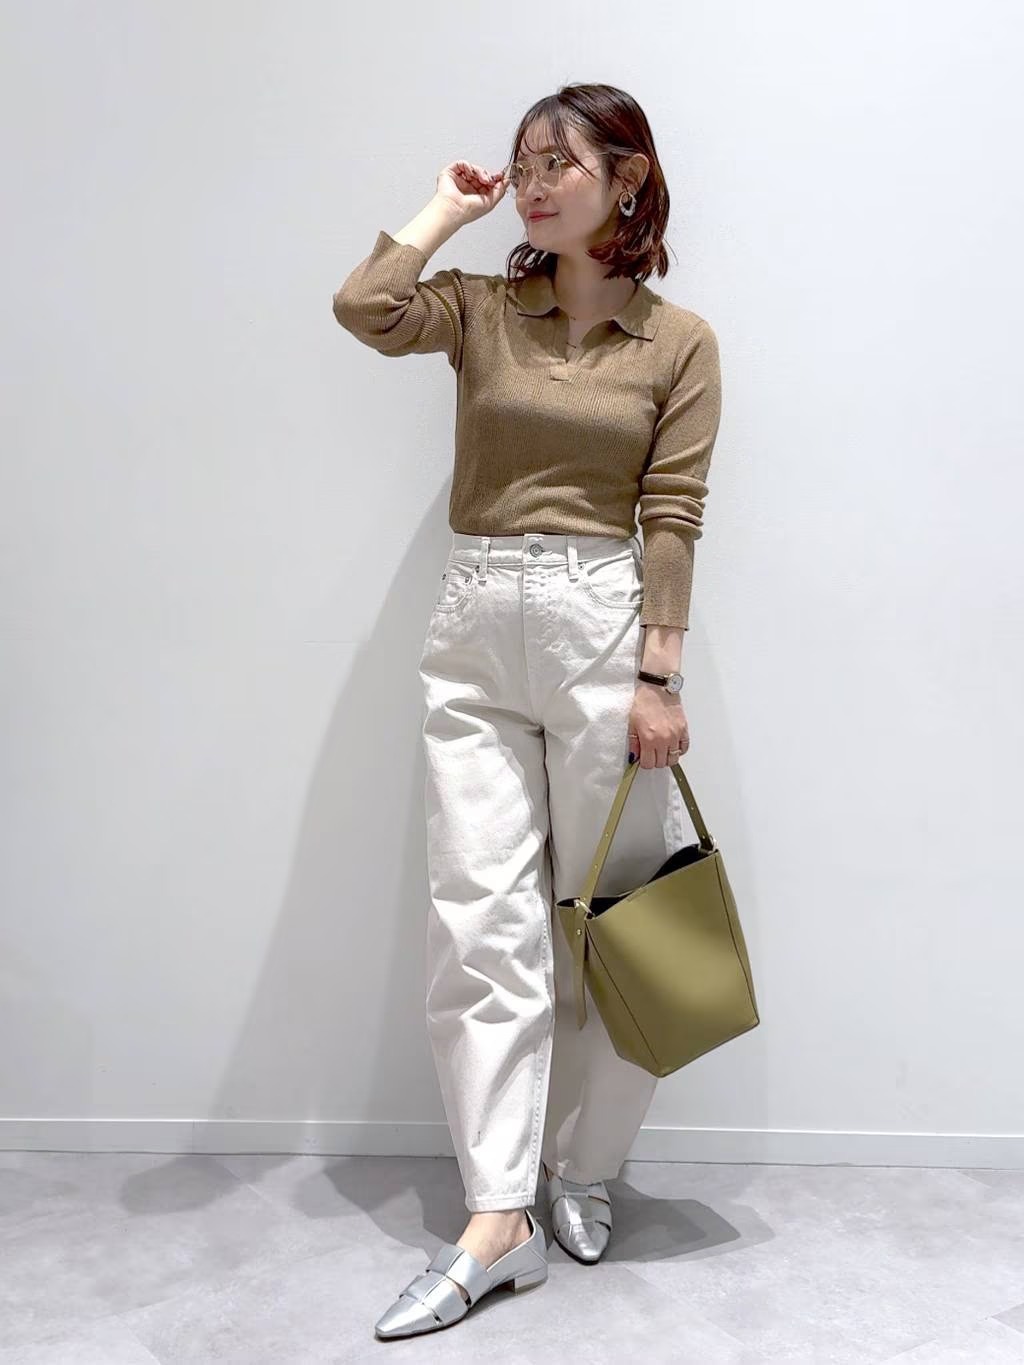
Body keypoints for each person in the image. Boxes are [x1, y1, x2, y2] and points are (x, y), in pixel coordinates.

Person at [332, 82, 723, 1339]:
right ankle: (498, 1214)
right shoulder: (483, 312)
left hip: (600, 625)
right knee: (479, 925)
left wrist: (658, 677)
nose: (536, 183)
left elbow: (672, 511)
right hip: (474, 622)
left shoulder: (678, 342)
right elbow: (363, 308)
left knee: (623, 925)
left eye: (563, 162)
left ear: (627, 181)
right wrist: (441, 212)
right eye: (523, 163)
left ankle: (586, 1168)